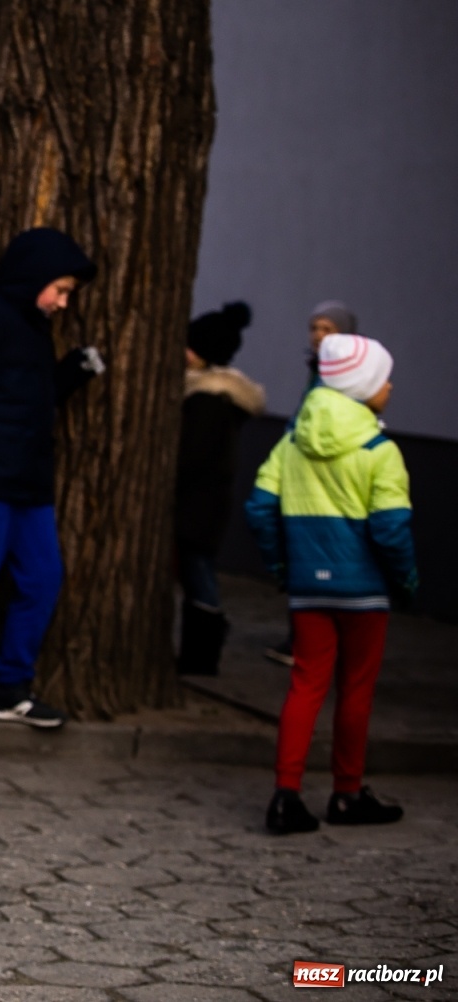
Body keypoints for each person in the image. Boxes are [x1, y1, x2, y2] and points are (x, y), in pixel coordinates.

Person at [0, 228, 106, 728]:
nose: (64, 302)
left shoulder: (33, 326)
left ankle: (10, 688)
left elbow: (28, 398)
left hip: (29, 482)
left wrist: (71, 372)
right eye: (62, 289)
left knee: (43, 579)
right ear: (35, 278)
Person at [246, 334, 416, 835]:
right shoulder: (379, 450)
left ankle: (285, 795)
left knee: (305, 684)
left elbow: (259, 507)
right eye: (384, 378)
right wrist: (404, 581)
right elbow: (390, 528)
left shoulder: (291, 441)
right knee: (356, 690)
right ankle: (347, 793)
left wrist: (284, 567)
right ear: (364, 387)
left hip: (307, 587)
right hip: (364, 591)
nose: (390, 386)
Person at [266, 299, 360, 667]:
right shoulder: (316, 370)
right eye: (315, 328)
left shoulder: (345, 377)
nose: (319, 336)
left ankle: (317, 642)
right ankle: (304, 639)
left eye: (328, 329)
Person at [175, 302, 265, 675]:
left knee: (198, 574)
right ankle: (202, 647)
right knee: (198, 573)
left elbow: (191, 457)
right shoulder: (220, 397)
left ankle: (201, 652)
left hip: (196, 504)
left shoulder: (207, 400)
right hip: (205, 503)